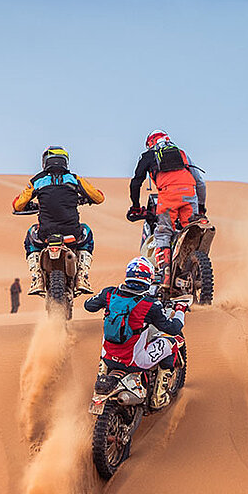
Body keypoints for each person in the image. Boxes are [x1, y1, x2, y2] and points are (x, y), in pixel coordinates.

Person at [84, 256, 188, 410]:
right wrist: (180, 311)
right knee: (172, 342)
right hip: (136, 361)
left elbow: (88, 305)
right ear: (149, 278)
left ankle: (101, 378)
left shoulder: (109, 294)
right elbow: (173, 329)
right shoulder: (150, 305)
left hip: (107, 358)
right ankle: (158, 397)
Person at [12, 146, 105, 295]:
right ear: (65, 161)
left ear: (45, 161)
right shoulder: (75, 179)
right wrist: (84, 198)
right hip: (72, 231)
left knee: (31, 235)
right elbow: (99, 197)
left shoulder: (37, 180)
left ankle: (37, 278)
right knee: (87, 232)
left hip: (45, 232)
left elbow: (18, 205)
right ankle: (82, 275)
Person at [128, 130, 208, 287]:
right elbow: (200, 181)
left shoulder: (148, 156)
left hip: (168, 195)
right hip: (189, 194)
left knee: (163, 232)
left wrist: (136, 207)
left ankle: (165, 274)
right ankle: (192, 265)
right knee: (189, 228)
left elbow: (136, 182)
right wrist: (201, 206)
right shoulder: (182, 154)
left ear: (150, 143)